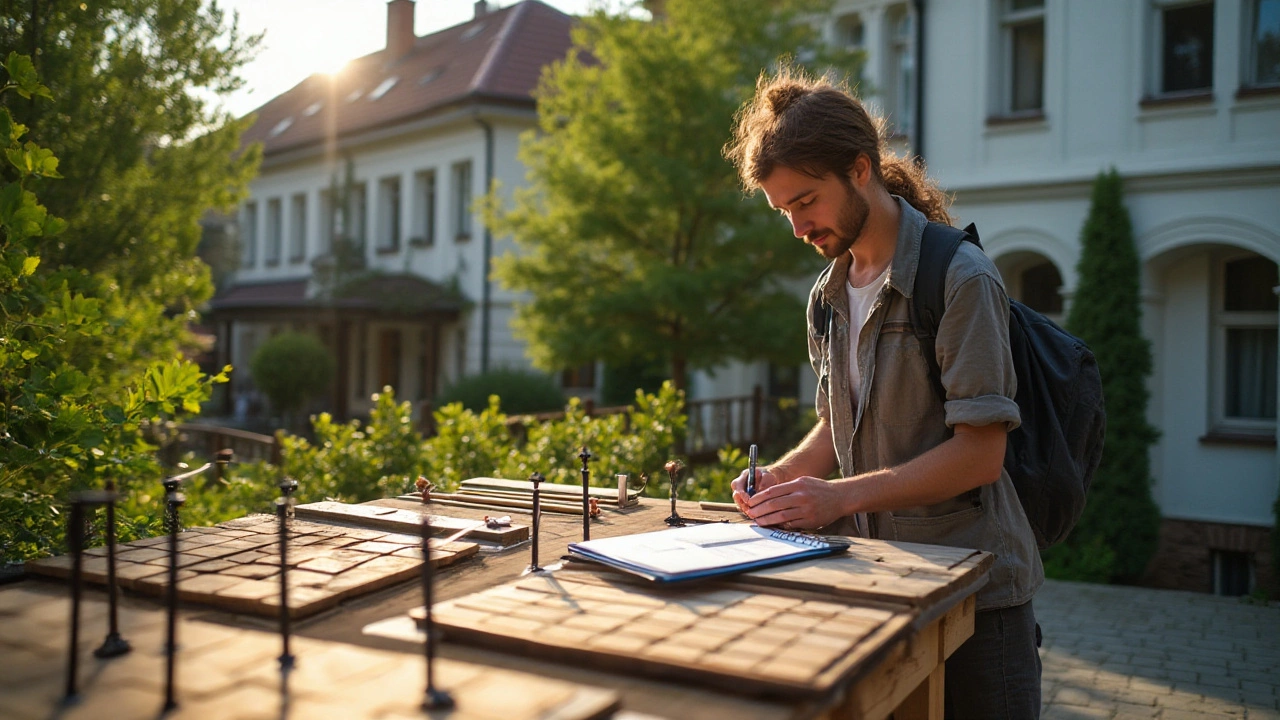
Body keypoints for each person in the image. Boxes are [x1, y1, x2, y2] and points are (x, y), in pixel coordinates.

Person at [723, 67, 1043, 719]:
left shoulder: (960, 278)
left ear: (860, 169)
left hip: (977, 599)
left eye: (806, 201)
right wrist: (783, 481)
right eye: (784, 210)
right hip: (877, 588)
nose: (796, 227)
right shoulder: (828, 295)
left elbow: (980, 455)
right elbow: (836, 425)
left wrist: (836, 495)